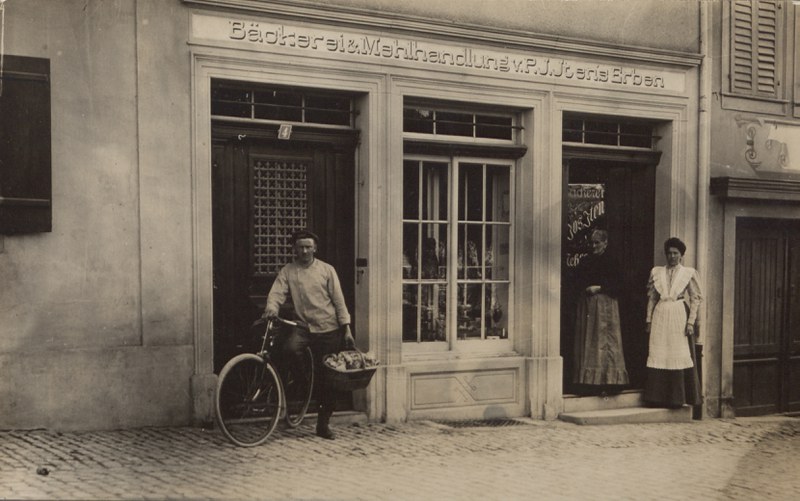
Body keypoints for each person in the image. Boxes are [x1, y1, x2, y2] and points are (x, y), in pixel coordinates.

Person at [263, 230, 355, 440]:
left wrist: (346, 328)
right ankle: (304, 383)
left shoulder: (326, 270)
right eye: (300, 247)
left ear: (315, 248)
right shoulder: (288, 271)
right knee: (289, 349)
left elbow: (339, 301)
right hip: (303, 327)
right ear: (294, 249)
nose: (304, 251)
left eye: (308, 247)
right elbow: (277, 292)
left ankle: (323, 424)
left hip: (328, 328)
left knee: (328, 377)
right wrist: (271, 308)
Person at [644, 237, 702, 408]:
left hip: (678, 312)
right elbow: (652, 297)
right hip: (661, 313)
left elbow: (696, 298)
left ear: (681, 255)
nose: (672, 256)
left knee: (676, 352)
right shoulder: (657, 272)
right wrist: (648, 319)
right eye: (669, 253)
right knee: (660, 351)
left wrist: (691, 322)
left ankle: (676, 398)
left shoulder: (688, 273)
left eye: (675, 253)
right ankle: (657, 397)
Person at [572, 229, 629, 395]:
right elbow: (576, 280)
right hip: (588, 306)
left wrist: (600, 288)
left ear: (605, 243)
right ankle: (589, 382)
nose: (594, 246)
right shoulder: (586, 261)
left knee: (606, 342)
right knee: (590, 341)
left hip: (606, 306)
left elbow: (621, 285)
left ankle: (609, 381)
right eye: (592, 243)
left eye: (598, 242)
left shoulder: (612, 261)